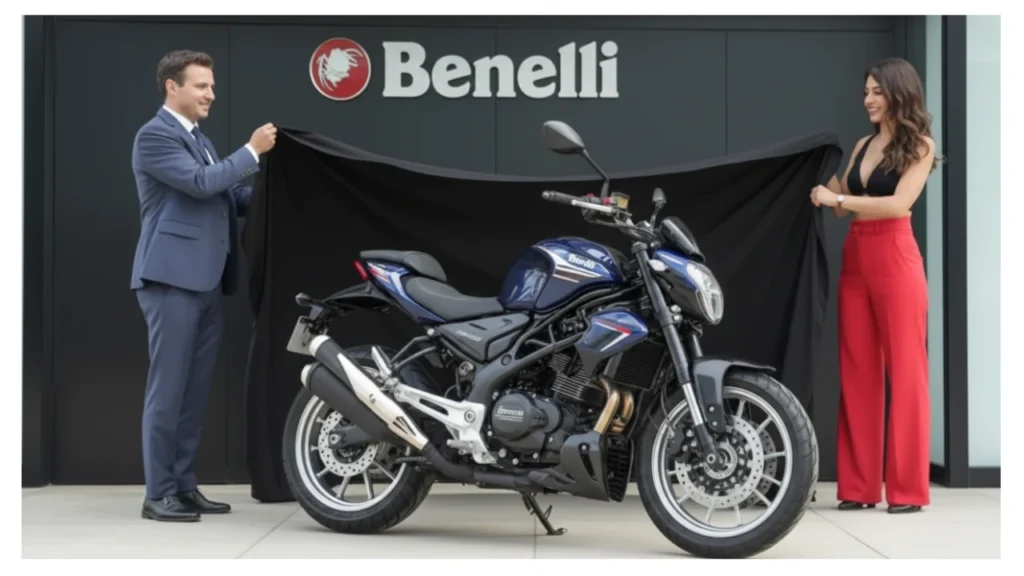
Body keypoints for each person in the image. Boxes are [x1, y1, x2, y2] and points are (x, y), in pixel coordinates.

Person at [129, 49, 277, 522]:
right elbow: (199, 182)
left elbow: (231, 196)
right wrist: (251, 152)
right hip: (170, 281)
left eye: (212, 86)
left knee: (192, 395)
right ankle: (158, 494)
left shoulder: (202, 140)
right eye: (201, 86)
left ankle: (183, 486)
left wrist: (283, 187)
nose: (211, 94)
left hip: (207, 281)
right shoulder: (154, 136)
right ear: (172, 86)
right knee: (168, 391)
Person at [810, 57, 938, 515]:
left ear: (899, 93)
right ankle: (859, 486)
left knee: (906, 372)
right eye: (866, 91)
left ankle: (907, 491)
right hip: (857, 256)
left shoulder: (921, 145)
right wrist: (814, 167)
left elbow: (899, 205)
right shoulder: (864, 144)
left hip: (896, 256)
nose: (868, 99)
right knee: (858, 371)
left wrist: (839, 196)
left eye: (877, 91)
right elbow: (840, 206)